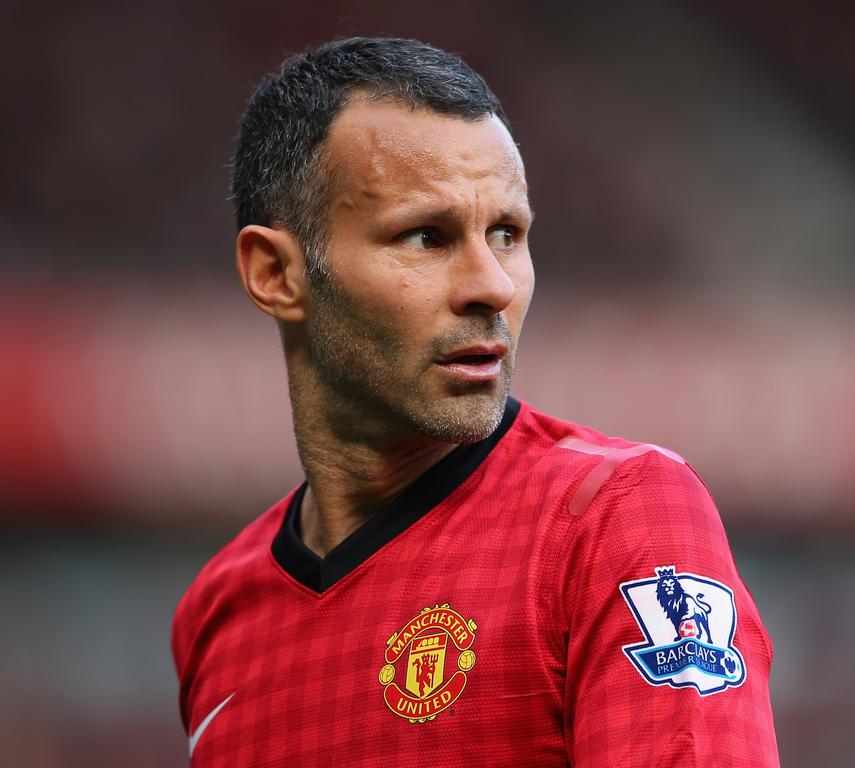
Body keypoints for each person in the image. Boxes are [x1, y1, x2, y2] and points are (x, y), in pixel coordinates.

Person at [172, 36, 780, 767]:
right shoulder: (217, 615)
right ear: (276, 272)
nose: (492, 285)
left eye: (507, 233)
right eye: (426, 237)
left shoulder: (613, 517)